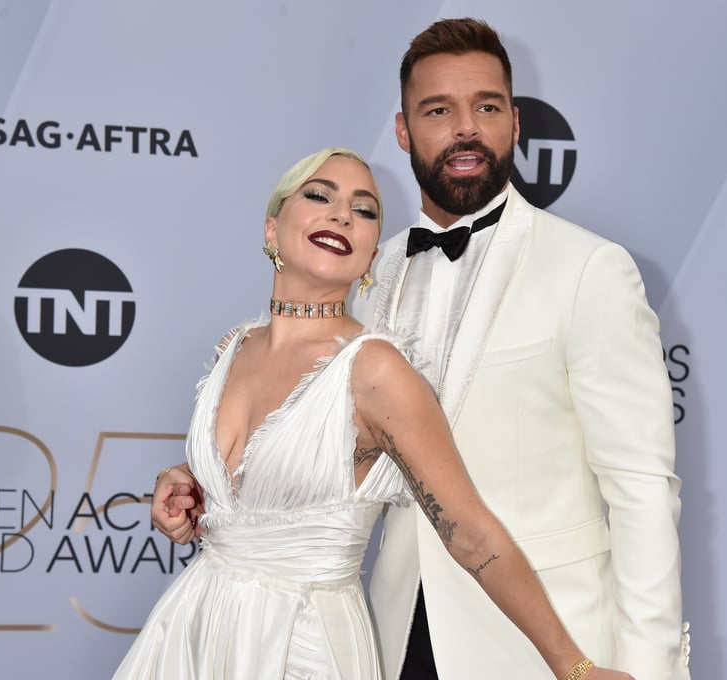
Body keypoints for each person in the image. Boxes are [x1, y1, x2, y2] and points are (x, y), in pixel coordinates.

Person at [121, 148, 630, 680]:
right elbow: (243, 493)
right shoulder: (236, 346)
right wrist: (180, 482)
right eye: (320, 196)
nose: (342, 214)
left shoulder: (373, 371)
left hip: (303, 647)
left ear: (369, 257)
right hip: (195, 631)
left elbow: (471, 534)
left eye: (364, 211)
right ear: (272, 228)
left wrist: (574, 668)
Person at [349, 17, 687, 680]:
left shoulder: (590, 267)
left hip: (547, 649)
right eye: (439, 110)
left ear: (515, 123)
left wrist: (646, 668)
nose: (466, 128)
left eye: (487, 107)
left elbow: (642, 492)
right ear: (402, 131)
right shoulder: (372, 278)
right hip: (395, 638)